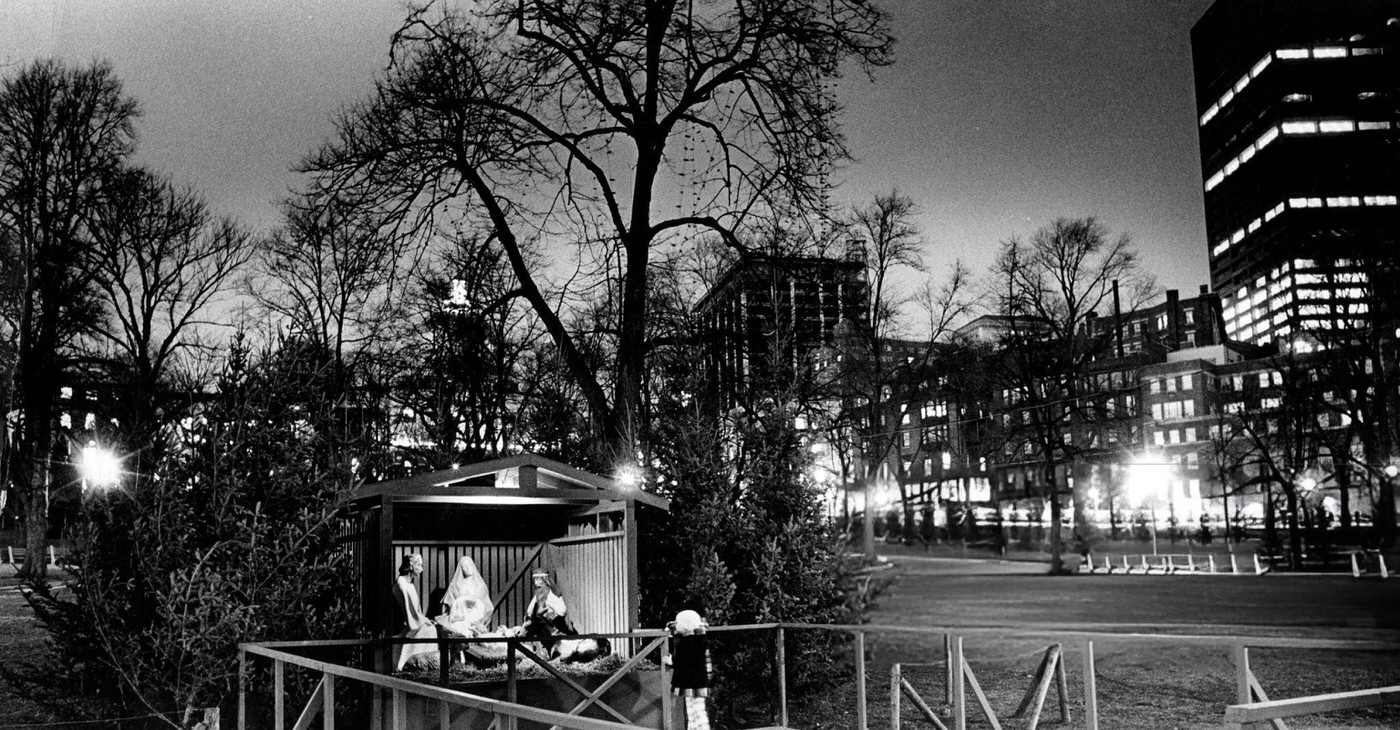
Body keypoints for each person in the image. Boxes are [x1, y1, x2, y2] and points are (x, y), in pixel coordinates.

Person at [390, 553, 439, 671]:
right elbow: (410, 613)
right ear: (411, 566)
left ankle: (422, 662)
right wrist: (424, 620)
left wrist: (424, 620)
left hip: (414, 621)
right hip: (405, 624)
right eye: (419, 565)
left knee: (431, 628)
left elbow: (416, 612)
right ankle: (411, 662)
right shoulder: (402, 584)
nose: (421, 569)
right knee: (430, 630)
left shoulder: (409, 584)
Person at [668, 609, 712, 730]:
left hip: (689, 681)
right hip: (699, 680)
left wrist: (670, 660)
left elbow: (678, 659)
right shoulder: (700, 640)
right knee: (697, 709)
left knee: (694, 711)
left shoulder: (684, 643)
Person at [437, 556, 494, 636]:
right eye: (464, 566)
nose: (468, 568)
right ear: (461, 569)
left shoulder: (480, 586)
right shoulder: (455, 586)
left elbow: (488, 606)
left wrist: (480, 618)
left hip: (476, 620)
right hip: (460, 620)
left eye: (470, 565)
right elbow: (448, 605)